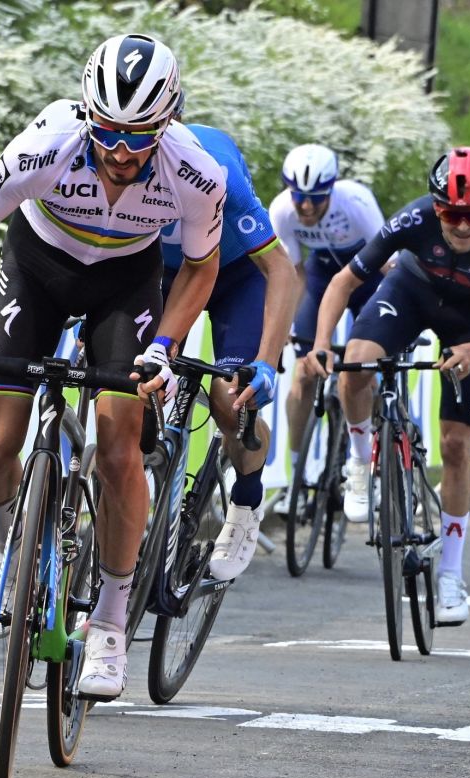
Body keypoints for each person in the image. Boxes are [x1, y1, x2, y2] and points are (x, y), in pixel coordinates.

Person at [0, 34, 226, 701]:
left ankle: (114, 620)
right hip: (37, 269)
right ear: (88, 118)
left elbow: (202, 267)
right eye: (109, 134)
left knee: (121, 449)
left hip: (126, 284)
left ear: (169, 123)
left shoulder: (196, 172)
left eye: (140, 136)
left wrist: (166, 347)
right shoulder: (48, 141)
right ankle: (9, 539)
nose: (122, 154)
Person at [306, 146, 470, 624]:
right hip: (409, 295)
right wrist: (323, 343)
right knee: (359, 363)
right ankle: (359, 460)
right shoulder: (411, 220)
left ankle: (450, 574)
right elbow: (343, 283)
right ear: (435, 207)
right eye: (451, 214)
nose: (463, 226)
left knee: (455, 443)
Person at [159, 97, 301, 580]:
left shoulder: (213, 168)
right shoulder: (120, 165)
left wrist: (265, 360)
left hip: (237, 272)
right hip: (163, 273)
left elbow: (280, 269)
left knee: (232, 398)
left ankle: (245, 502)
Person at [268, 145, 387, 513]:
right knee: (304, 374)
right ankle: (297, 480)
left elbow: (388, 270)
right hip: (320, 279)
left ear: (331, 190)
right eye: (299, 196)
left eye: (315, 199)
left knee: (364, 371)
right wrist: (286, 322)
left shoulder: (357, 203)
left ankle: (371, 462)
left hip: (369, 280)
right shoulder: (282, 211)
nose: (305, 207)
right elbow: (292, 275)